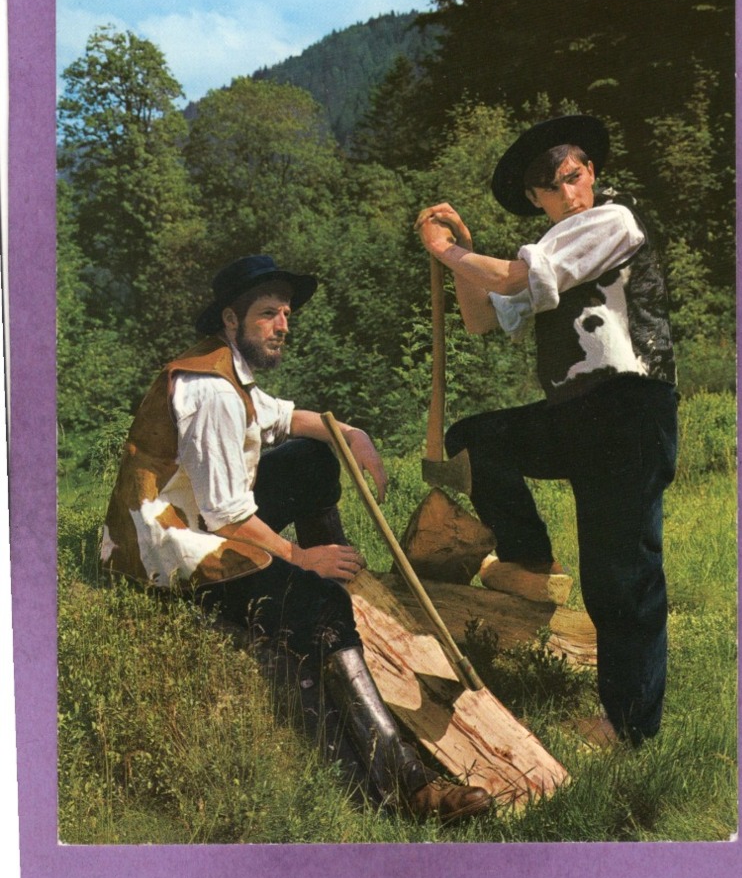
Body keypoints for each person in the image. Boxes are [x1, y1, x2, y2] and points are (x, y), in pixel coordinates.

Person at [100, 253, 491, 822]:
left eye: (285, 313)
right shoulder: (208, 390)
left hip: (208, 522)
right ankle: (408, 784)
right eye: (267, 315)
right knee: (316, 603)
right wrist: (299, 559)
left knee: (310, 456)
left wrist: (352, 434)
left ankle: (341, 572)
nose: (283, 325)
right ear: (231, 321)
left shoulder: (233, 372)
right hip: (172, 547)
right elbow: (228, 518)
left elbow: (288, 418)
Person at [415, 116, 678, 748]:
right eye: (552, 188)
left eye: (575, 177)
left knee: (621, 572)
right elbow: (483, 318)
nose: (569, 195)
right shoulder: (554, 251)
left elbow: (509, 278)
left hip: (631, 409)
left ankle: (629, 727)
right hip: (581, 417)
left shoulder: (612, 222)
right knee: (476, 438)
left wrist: (446, 250)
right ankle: (530, 559)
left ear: (593, 175)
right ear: (536, 199)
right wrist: (457, 255)